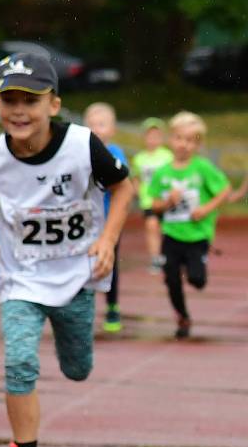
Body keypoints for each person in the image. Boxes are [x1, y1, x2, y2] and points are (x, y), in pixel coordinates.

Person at [0, 53, 132, 447]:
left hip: (77, 274)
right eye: (9, 100)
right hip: (20, 276)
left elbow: (123, 188)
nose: (19, 110)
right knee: (19, 361)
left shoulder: (83, 145)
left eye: (30, 100)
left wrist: (109, 240)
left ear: (53, 105)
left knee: (77, 369)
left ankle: (70, 340)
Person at [148, 111, 231, 340]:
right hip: (172, 235)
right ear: (170, 139)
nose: (183, 145)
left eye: (189, 140)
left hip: (198, 235)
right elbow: (153, 205)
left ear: (198, 144)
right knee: (171, 279)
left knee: (197, 280)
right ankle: (182, 316)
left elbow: (224, 190)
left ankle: (197, 270)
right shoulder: (163, 172)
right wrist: (167, 202)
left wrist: (206, 209)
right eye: (178, 138)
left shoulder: (202, 168)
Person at [83, 102, 129, 333]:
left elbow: (122, 184)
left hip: (110, 221)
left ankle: (112, 306)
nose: (97, 129)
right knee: (84, 266)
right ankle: (84, 308)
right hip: (86, 222)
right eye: (91, 125)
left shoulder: (116, 153)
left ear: (112, 129)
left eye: (101, 124)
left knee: (109, 264)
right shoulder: (80, 151)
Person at [131, 117, 173, 274]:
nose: (153, 139)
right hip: (148, 200)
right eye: (150, 135)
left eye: (156, 136)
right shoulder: (139, 158)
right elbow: (136, 177)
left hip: (167, 200)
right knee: (151, 226)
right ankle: (155, 258)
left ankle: (170, 256)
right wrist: (136, 191)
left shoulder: (168, 156)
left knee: (167, 230)